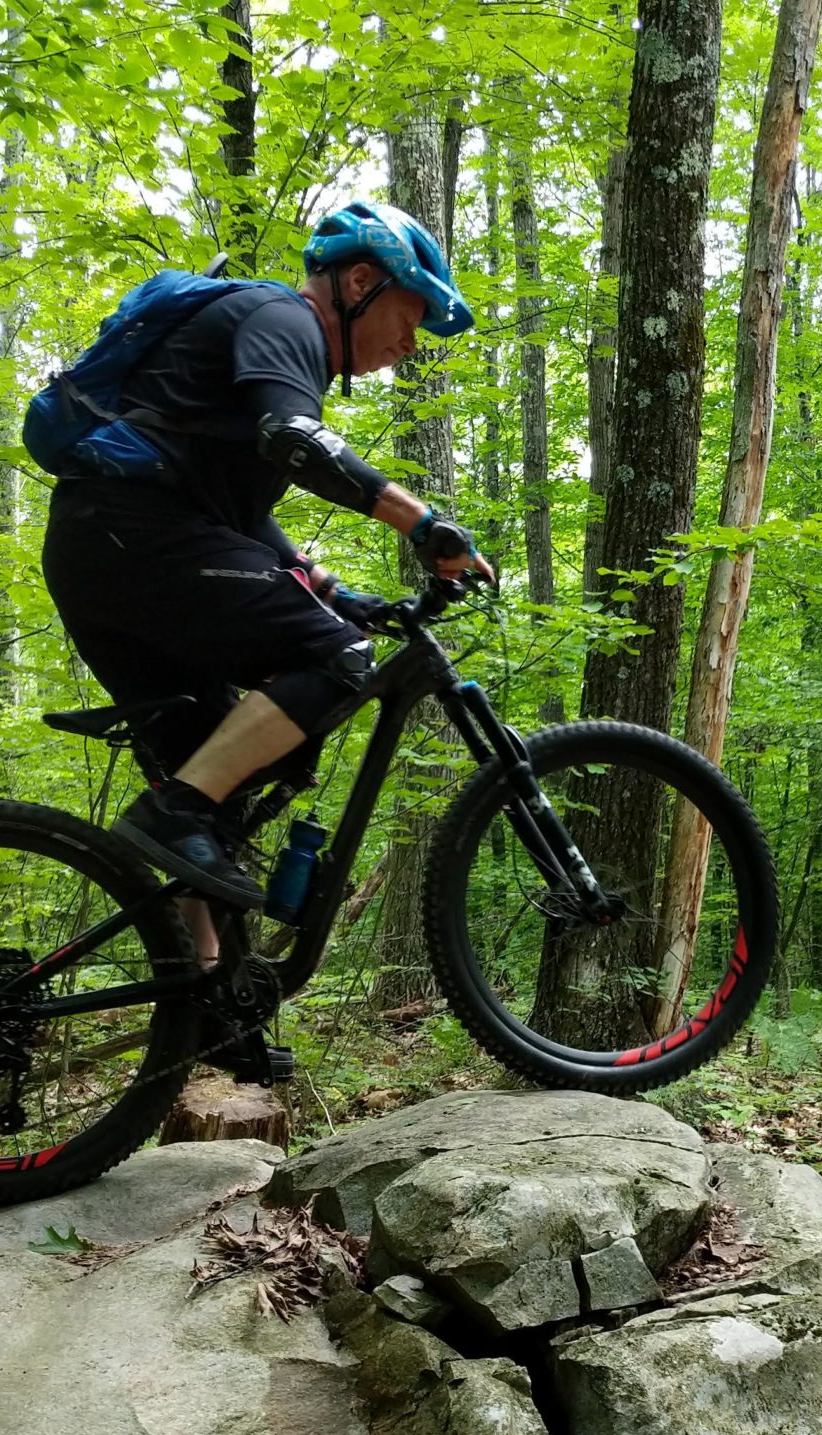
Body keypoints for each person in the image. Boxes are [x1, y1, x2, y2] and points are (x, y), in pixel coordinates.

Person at [39, 201, 497, 916]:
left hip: (105, 547)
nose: (411, 344)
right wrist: (422, 522)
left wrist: (339, 597)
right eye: (409, 318)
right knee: (337, 660)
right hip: (133, 538)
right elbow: (295, 438)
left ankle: (212, 1016)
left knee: (213, 790)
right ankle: (176, 812)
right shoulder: (284, 320)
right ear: (359, 281)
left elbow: (239, 518)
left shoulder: (266, 348)